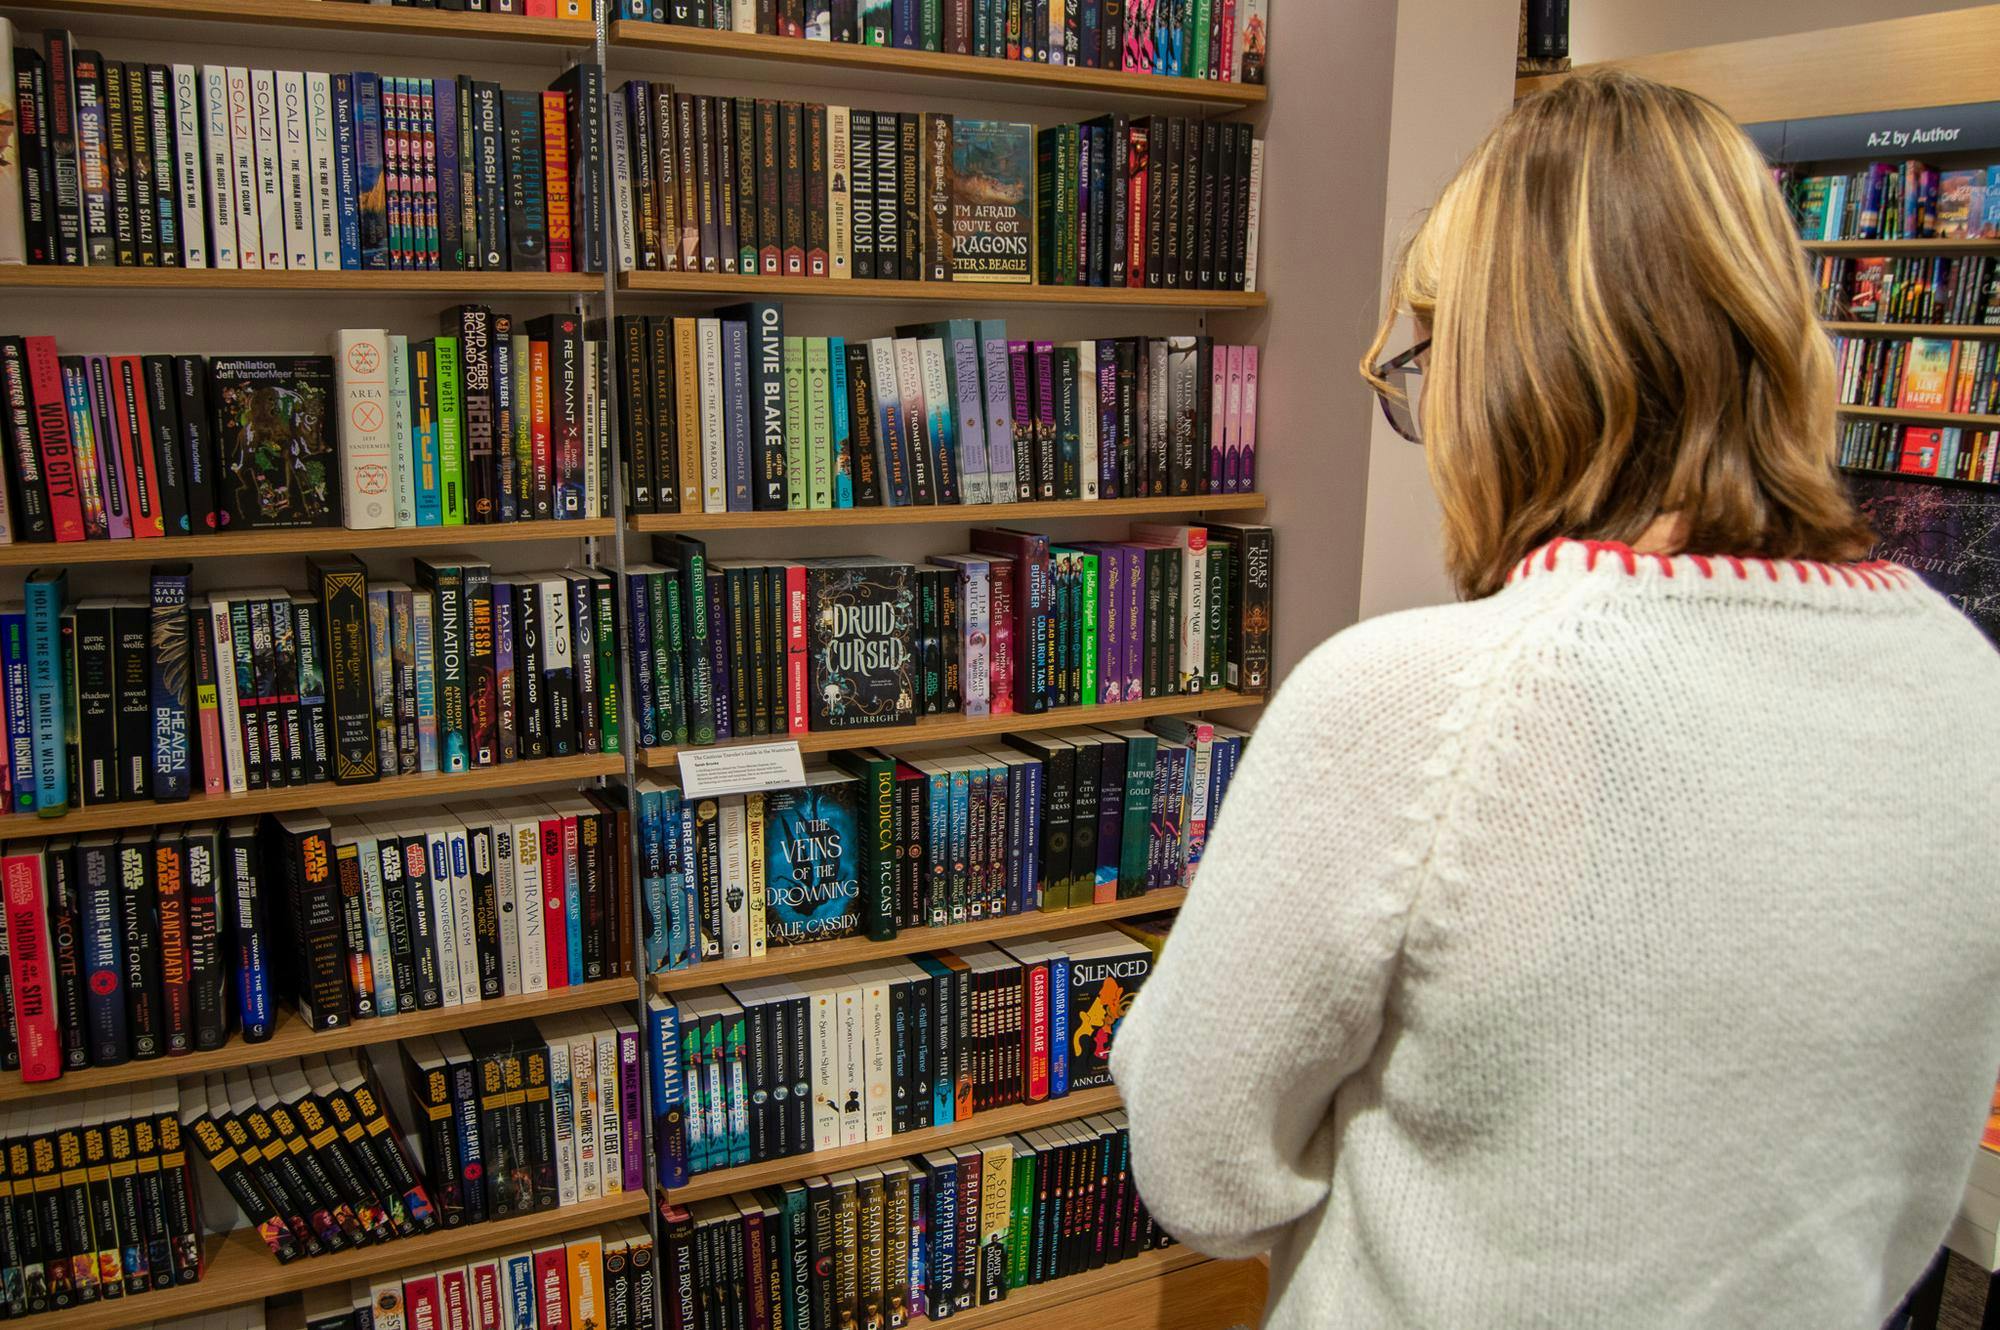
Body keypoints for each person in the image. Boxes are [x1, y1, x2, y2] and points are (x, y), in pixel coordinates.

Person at [1110, 69, 2000, 1327]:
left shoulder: (1417, 702)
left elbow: (1200, 1170)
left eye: (1425, 358)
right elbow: (1905, 1174)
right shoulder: (1965, 680)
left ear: (1501, 372)